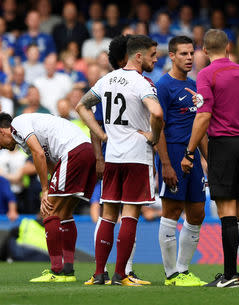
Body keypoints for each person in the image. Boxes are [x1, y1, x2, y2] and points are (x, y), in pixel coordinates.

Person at [76, 35, 163, 286]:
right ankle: (121, 275)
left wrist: (102, 134)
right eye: (152, 54)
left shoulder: (107, 80)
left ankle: (98, 274)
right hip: (137, 156)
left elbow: (81, 106)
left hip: (113, 155)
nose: (155, 59)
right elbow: (156, 112)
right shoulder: (141, 83)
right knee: (130, 214)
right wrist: (153, 136)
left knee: (108, 215)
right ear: (138, 56)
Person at [181, 29, 239, 288]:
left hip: (223, 145)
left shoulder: (205, 74)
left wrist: (190, 151)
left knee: (227, 211)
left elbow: (203, 116)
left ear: (204, 50)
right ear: (228, 48)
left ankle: (229, 276)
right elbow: (233, 103)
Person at [0, 112, 97, 283]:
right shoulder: (24, 136)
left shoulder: (18, 124)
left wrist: (46, 190)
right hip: (86, 151)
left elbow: (39, 155)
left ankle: (56, 270)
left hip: (73, 152)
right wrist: (53, 185)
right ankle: (67, 271)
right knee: (65, 214)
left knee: (48, 211)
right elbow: (50, 162)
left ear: (1, 132)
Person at [155, 36, 207, 287]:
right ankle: (171, 275)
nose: (189, 58)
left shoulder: (195, 86)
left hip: (193, 154)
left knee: (197, 212)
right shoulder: (163, 86)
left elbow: (201, 128)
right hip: (173, 153)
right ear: (172, 56)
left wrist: (209, 161)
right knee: (172, 211)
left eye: (191, 53)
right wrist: (165, 163)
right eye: (184, 54)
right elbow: (158, 128)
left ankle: (183, 269)